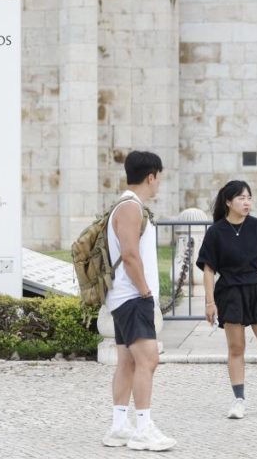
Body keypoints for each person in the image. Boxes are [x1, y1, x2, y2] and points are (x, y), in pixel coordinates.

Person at [196, 180, 257, 420]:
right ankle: (239, 400)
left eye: (249, 197)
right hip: (230, 293)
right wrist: (210, 303)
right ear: (228, 202)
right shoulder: (216, 232)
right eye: (241, 198)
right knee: (236, 349)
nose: (246, 202)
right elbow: (208, 270)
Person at [103, 151, 176, 452]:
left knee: (128, 362)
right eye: (159, 177)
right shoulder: (132, 207)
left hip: (122, 298)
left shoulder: (123, 205)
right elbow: (131, 254)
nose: (159, 183)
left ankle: (119, 427)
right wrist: (145, 290)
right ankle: (143, 430)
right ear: (152, 176)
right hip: (133, 297)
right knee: (148, 359)